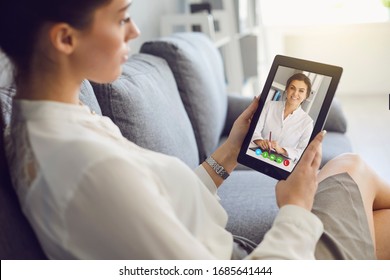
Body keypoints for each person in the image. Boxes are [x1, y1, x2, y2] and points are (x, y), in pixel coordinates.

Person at [0, 0, 389, 260]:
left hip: (228, 247)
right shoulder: (86, 167)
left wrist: (228, 155)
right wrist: (296, 208)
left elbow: (157, 202)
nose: (134, 30)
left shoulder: (50, 118)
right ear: (65, 38)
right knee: (352, 166)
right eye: (121, 17)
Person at [252, 73, 313, 162]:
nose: (295, 93)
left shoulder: (307, 122)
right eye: (292, 88)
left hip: (282, 161)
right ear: (286, 89)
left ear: (306, 95)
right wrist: (260, 141)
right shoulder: (270, 105)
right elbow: (254, 129)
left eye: (301, 91)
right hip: (260, 153)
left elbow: (303, 151)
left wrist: (282, 150)